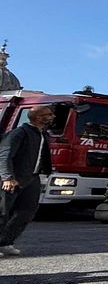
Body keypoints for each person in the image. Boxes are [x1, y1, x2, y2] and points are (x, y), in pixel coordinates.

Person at [0, 106, 55, 256]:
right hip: (13, 178)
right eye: (48, 114)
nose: (52, 116)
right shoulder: (19, 133)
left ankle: (5, 242)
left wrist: (47, 171)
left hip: (32, 178)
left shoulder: (43, 134)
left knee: (27, 211)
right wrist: (7, 177)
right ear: (38, 117)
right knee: (3, 211)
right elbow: (5, 155)